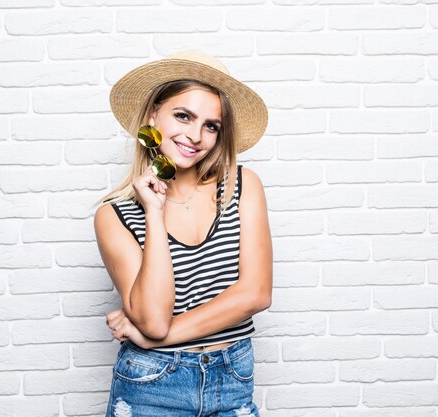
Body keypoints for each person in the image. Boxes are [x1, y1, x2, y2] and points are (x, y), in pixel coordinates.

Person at [93, 51, 272, 417]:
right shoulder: (115, 215)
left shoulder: (242, 186)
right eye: (183, 116)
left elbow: (255, 293)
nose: (195, 135)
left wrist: (154, 336)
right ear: (152, 117)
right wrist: (154, 213)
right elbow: (154, 319)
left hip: (232, 378)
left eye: (211, 125)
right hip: (152, 385)